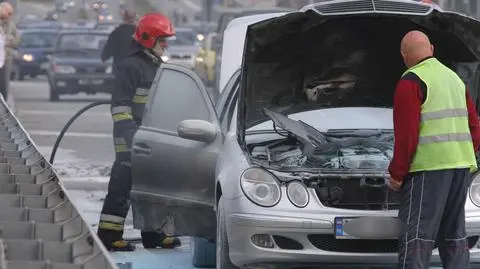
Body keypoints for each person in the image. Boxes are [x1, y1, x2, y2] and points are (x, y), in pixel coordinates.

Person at [388, 30, 480, 269]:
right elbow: (474, 126)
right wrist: (462, 154)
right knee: (454, 235)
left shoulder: (411, 81)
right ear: (432, 49)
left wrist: (397, 174)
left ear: (404, 56)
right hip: (460, 167)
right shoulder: (454, 79)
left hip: (429, 170)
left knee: (417, 236)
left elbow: (407, 136)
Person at [97, 13, 181, 252]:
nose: (165, 44)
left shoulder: (156, 67)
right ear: (148, 38)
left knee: (153, 184)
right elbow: (120, 107)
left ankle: (154, 234)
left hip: (150, 136)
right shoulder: (130, 66)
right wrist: (130, 137)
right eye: (162, 39)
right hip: (130, 138)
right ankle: (109, 236)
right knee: (122, 186)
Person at [101, 9, 137, 75]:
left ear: (124, 18)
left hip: (120, 66)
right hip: (136, 68)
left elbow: (110, 47)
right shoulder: (140, 33)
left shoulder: (117, 32)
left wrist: (104, 57)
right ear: (134, 18)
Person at [0, 2, 18, 100]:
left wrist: (10, 41)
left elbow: (17, 41)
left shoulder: (11, 26)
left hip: (7, 58)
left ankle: (4, 105)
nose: (9, 17)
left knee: (4, 84)